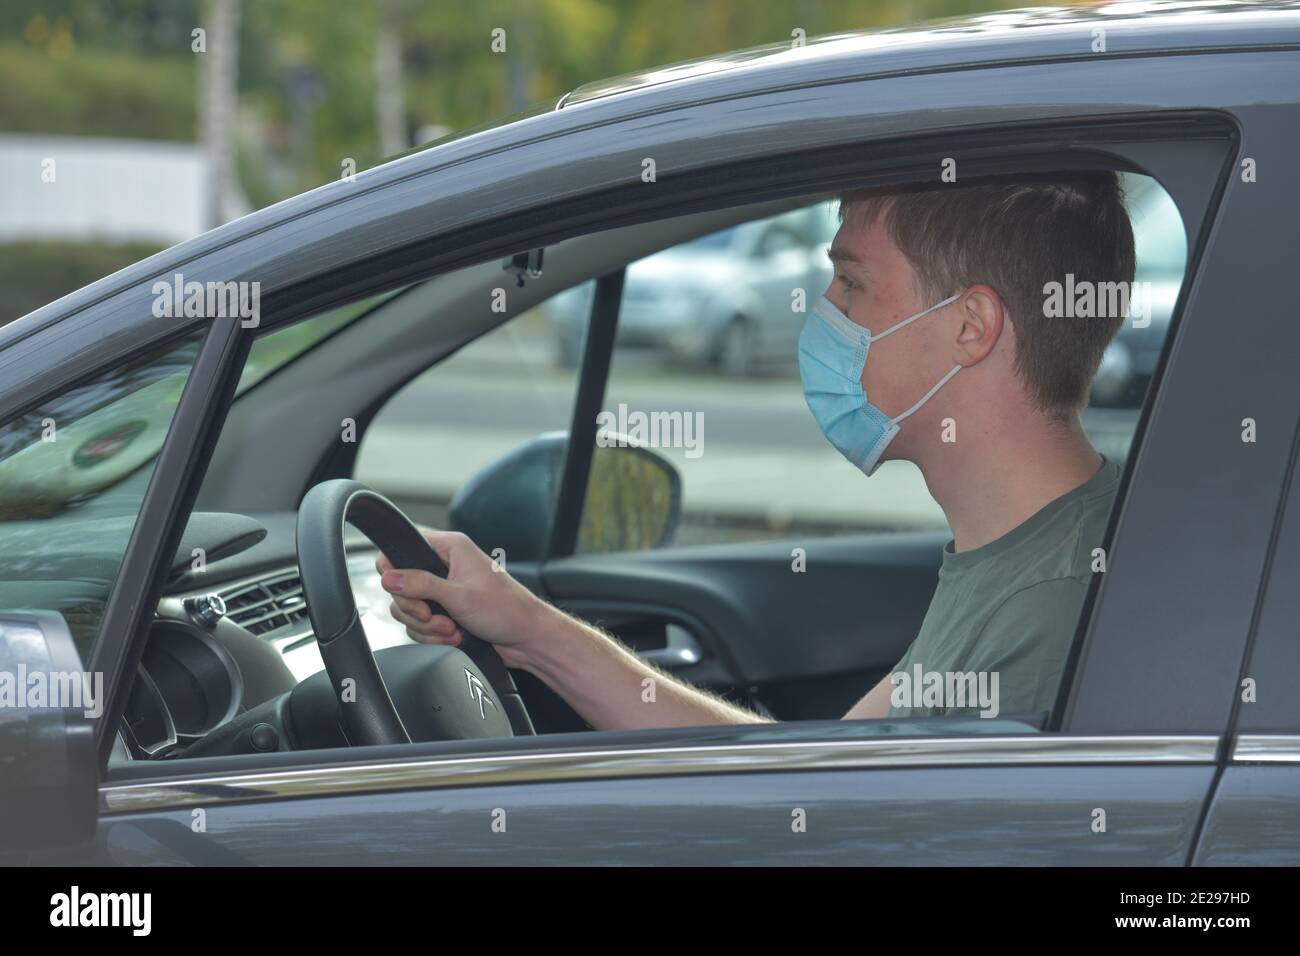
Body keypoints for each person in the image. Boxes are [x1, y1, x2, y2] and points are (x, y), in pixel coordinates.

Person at [377, 171, 1134, 727]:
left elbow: (818, 822)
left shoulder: (1045, 614)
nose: (824, 314)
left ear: (970, 328)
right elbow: (822, 786)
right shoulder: (1025, 553)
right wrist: (529, 629)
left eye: (850, 283)